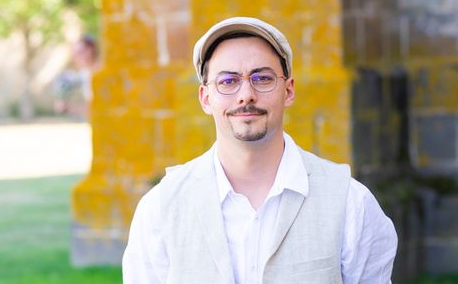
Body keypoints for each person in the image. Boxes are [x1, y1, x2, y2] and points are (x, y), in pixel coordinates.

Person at [122, 16, 398, 283]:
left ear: (288, 91)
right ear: (206, 98)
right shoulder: (160, 209)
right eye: (228, 81)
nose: (246, 94)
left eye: (262, 78)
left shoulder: (351, 203)